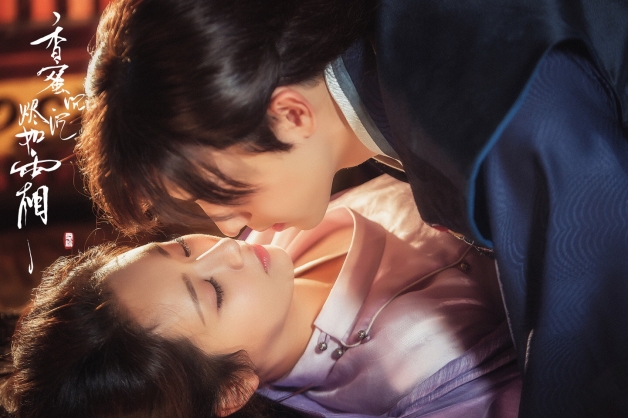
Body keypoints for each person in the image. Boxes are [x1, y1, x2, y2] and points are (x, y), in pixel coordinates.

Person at [76, 0, 628, 416]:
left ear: (289, 115)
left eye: (225, 192)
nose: (227, 228)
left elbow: (595, 340)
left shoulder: (496, 114)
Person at [0, 176, 521, 417]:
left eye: (181, 248)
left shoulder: (272, 218)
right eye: (213, 292)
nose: (226, 252)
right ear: (233, 390)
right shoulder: (416, 395)